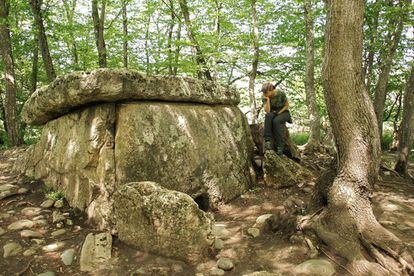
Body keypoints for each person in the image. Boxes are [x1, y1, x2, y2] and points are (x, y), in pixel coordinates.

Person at [261, 82, 292, 155]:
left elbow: (287, 105)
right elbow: (267, 111)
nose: (264, 93)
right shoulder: (264, 96)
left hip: (284, 112)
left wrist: (279, 113)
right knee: (268, 116)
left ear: (271, 90)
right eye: (263, 92)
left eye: (266, 92)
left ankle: (280, 146)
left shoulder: (280, 93)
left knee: (276, 121)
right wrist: (267, 99)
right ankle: (268, 140)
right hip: (273, 112)